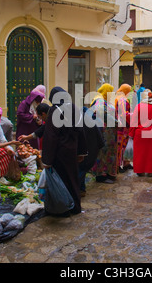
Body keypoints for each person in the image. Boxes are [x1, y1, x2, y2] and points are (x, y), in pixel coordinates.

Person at [41, 87, 87, 215]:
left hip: (59, 153)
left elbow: (51, 137)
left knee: (60, 180)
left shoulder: (55, 111)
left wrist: (47, 160)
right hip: (72, 150)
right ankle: (75, 207)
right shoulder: (73, 108)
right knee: (73, 178)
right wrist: (81, 152)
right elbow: (81, 130)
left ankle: (63, 209)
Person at [129, 90, 152, 176]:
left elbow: (134, 121)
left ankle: (140, 170)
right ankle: (151, 171)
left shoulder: (138, 106)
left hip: (140, 134)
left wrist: (131, 133)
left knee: (140, 153)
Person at [90, 83, 119, 183]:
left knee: (106, 153)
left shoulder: (101, 100)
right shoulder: (100, 101)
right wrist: (116, 122)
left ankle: (107, 173)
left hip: (107, 133)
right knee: (102, 153)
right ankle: (101, 175)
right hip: (104, 133)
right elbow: (102, 113)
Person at [115, 83, 133, 173]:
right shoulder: (122, 100)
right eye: (129, 91)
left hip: (121, 126)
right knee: (121, 146)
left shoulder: (120, 98)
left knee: (122, 146)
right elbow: (123, 114)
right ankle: (119, 166)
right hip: (122, 127)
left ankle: (124, 163)